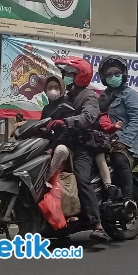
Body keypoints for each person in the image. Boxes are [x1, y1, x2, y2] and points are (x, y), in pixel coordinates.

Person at [47, 56, 108, 241]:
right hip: (65, 144)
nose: (64, 76)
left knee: (82, 180)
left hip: (83, 146)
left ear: (80, 75)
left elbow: (88, 118)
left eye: (68, 73)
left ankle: (97, 225)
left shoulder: (88, 96)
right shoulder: (66, 96)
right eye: (64, 73)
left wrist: (66, 121)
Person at [98, 55, 138, 216]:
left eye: (117, 73)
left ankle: (128, 200)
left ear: (124, 74)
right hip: (108, 141)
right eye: (109, 74)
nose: (113, 77)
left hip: (130, 145)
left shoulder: (129, 94)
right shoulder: (103, 97)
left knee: (119, 160)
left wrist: (124, 141)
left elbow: (136, 120)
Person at [40, 75, 72, 183]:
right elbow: (41, 127)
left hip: (65, 147)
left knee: (60, 150)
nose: (53, 90)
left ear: (62, 89)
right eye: (49, 88)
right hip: (47, 144)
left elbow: (67, 132)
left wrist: (52, 148)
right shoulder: (46, 109)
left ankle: (45, 180)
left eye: (56, 87)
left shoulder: (67, 106)